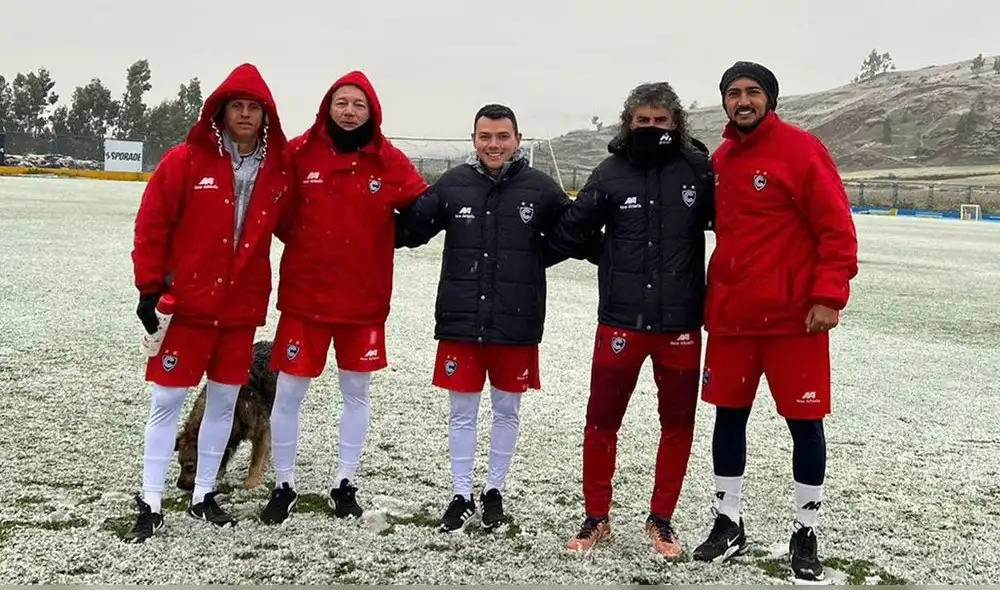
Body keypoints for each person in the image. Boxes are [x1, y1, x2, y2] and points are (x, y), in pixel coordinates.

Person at [691, 61, 858, 584]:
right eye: (734, 93)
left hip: (793, 321)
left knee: (804, 424)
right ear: (723, 102)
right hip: (732, 318)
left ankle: (806, 530)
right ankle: (728, 521)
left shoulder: (803, 151)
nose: (743, 100)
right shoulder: (719, 160)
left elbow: (836, 230)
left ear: (770, 99)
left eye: (753, 92)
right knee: (728, 419)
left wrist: (829, 296)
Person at [547, 82, 715, 557]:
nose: (651, 128)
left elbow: (739, 224)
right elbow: (570, 229)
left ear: (676, 124)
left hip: (679, 325)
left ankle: (661, 520)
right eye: (643, 121)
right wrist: (609, 255)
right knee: (601, 421)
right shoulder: (611, 171)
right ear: (629, 124)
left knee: (677, 424)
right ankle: (596, 517)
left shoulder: (697, 170)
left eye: (661, 121)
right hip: (619, 322)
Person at [125, 62, 290, 543]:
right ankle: (150, 499)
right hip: (188, 308)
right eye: (235, 106)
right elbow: (152, 224)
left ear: (265, 115)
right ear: (219, 112)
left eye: (253, 107)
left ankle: (202, 495)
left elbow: (302, 224)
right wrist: (148, 288)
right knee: (167, 402)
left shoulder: (277, 171)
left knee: (222, 404)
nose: (244, 114)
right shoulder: (184, 160)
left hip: (240, 312)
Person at [395, 104, 577, 533]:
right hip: (461, 321)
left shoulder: (541, 188)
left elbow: (576, 232)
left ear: (517, 140)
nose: (493, 145)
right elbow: (408, 230)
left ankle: (494, 490)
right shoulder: (452, 185)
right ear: (474, 139)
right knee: (461, 412)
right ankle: (460, 494)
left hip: (516, 324)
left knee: (506, 411)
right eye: (485, 137)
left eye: (502, 137)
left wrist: (536, 261)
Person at [258, 71, 428, 524]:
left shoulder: (388, 159)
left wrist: (387, 239)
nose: (349, 112)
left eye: (359, 105)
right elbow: (277, 211)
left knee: (356, 392)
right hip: (305, 298)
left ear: (371, 111)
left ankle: (344, 483)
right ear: (327, 107)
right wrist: (311, 245)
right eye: (342, 103)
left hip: (363, 301)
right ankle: (284, 484)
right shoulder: (298, 152)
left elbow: (421, 207)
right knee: (289, 392)